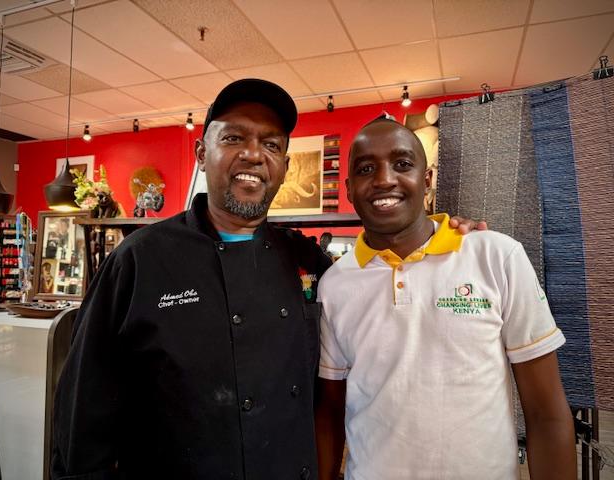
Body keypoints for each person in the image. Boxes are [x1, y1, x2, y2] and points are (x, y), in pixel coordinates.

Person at [51, 79, 482, 479]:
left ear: (284, 166)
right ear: (201, 153)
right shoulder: (139, 260)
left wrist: (441, 237)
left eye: (271, 144)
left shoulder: (307, 261)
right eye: (233, 138)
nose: (253, 155)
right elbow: (82, 414)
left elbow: (380, 295)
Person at [315, 117, 576, 480]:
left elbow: (546, 413)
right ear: (348, 189)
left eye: (402, 164)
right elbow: (329, 411)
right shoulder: (335, 284)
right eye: (365, 169)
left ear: (427, 180)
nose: (384, 179)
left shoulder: (497, 257)